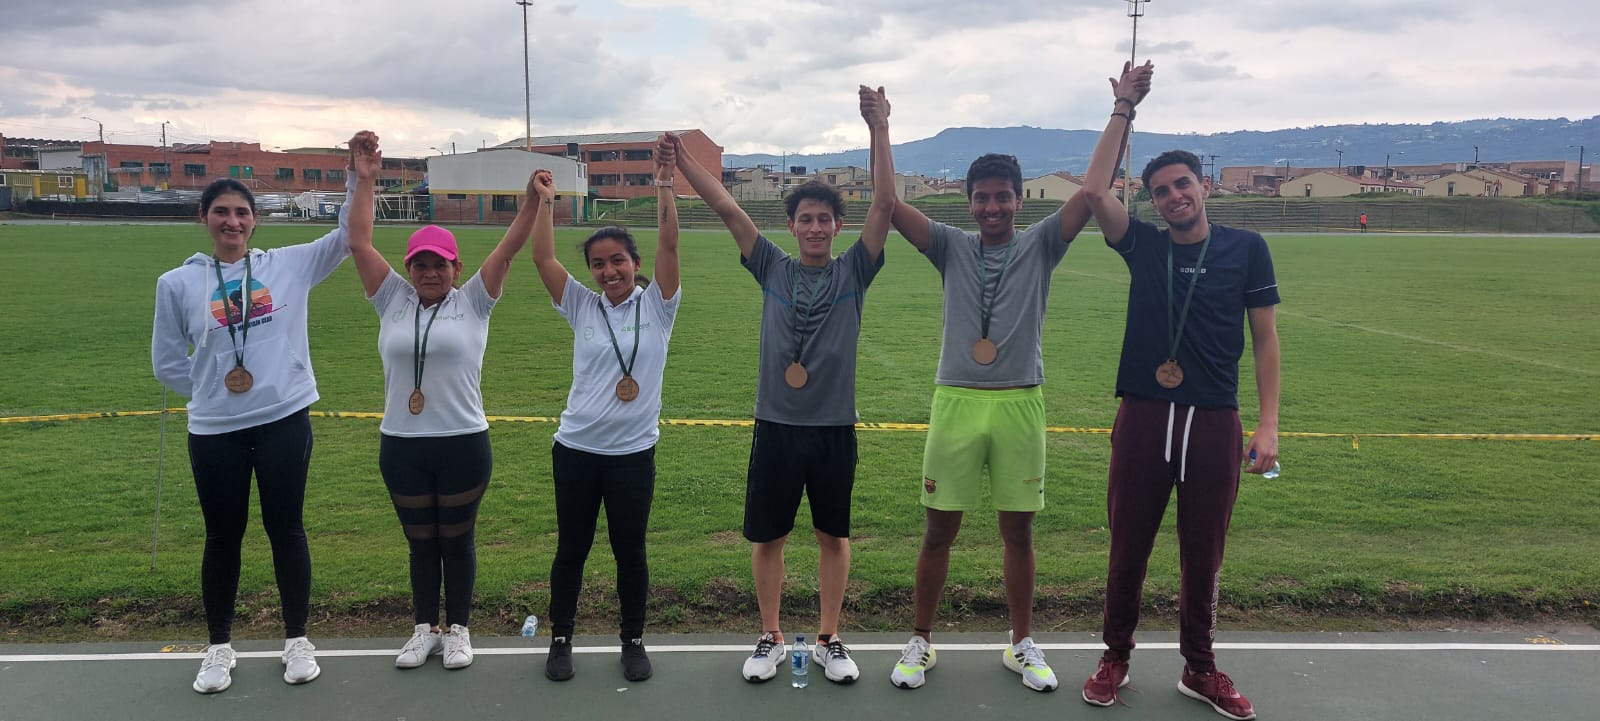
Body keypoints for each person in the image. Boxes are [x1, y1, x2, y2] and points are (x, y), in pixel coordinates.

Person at [665, 87, 894, 686]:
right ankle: (768, 635)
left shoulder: (854, 269)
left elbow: (886, 205)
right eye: (806, 219)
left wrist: (879, 127)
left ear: (837, 226)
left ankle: (828, 638)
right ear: (791, 225)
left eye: (825, 219)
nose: (816, 227)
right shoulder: (772, 267)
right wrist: (684, 159)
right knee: (769, 536)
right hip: (776, 425)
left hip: (832, 429)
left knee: (832, 536)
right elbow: (726, 209)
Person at [1076, 61, 1279, 721]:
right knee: (1128, 543)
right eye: (1160, 191)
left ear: (1205, 186)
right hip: (1143, 412)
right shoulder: (1142, 246)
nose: (1173, 198)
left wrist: (1268, 424)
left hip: (1214, 419)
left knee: (1204, 552)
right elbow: (1091, 188)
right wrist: (1123, 111)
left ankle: (1199, 666)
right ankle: (1116, 655)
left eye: (1182, 184)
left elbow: (1266, 341)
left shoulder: (1248, 249)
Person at [884, 104, 1097, 696]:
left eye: (1003, 197)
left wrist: (1121, 109)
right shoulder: (950, 246)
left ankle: (1021, 644)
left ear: (1019, 200)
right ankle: (921, 641)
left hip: (1019, 403)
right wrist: (881, 129)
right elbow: (888, 204)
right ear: (969, 201)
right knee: (937, 532)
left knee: (1019, 534)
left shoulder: (1042, 244)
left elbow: (1095, 189)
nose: (992, 207)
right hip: (956, 400)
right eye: (982, 197)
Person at [152, 130, 372, 694]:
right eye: (222, 212)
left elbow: (349, 234)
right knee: (222, 536)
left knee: (286, 529)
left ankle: (297, 639)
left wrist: (358, 176)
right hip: (215, 430)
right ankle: (219, 648)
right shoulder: (177, 284)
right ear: (204, 217)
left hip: (282, 421)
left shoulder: (288, 267)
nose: (233, 222)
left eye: (242, 213)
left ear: (255, 221)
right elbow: (167, 364)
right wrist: (214, 392)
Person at [347, 139, 541, 671]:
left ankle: (457, 629)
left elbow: (510, 247)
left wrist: (531, 201)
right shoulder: (391, 298)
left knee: (456, 541)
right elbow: (359, 242)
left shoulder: (473, 301)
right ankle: (422, 629)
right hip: (403, 445)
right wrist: (364, 178)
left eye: (440, 264)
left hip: (462, 442)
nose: (429, 272)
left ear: (457, 267)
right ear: (410, 269)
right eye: (420, 264)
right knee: (419, 544)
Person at [532, 141, 680, 684]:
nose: (608, 271)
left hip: (631, 456)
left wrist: (664, 182)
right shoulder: (582, 305)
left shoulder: (659, 307)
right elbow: (544, 259)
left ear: (635, 264)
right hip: (575, 451)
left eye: (618, 260)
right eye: (599, 264)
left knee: (629, 552)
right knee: (571, 550)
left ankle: (633, 640)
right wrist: (545, 201)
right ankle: (561, 639)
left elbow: (670, 239)